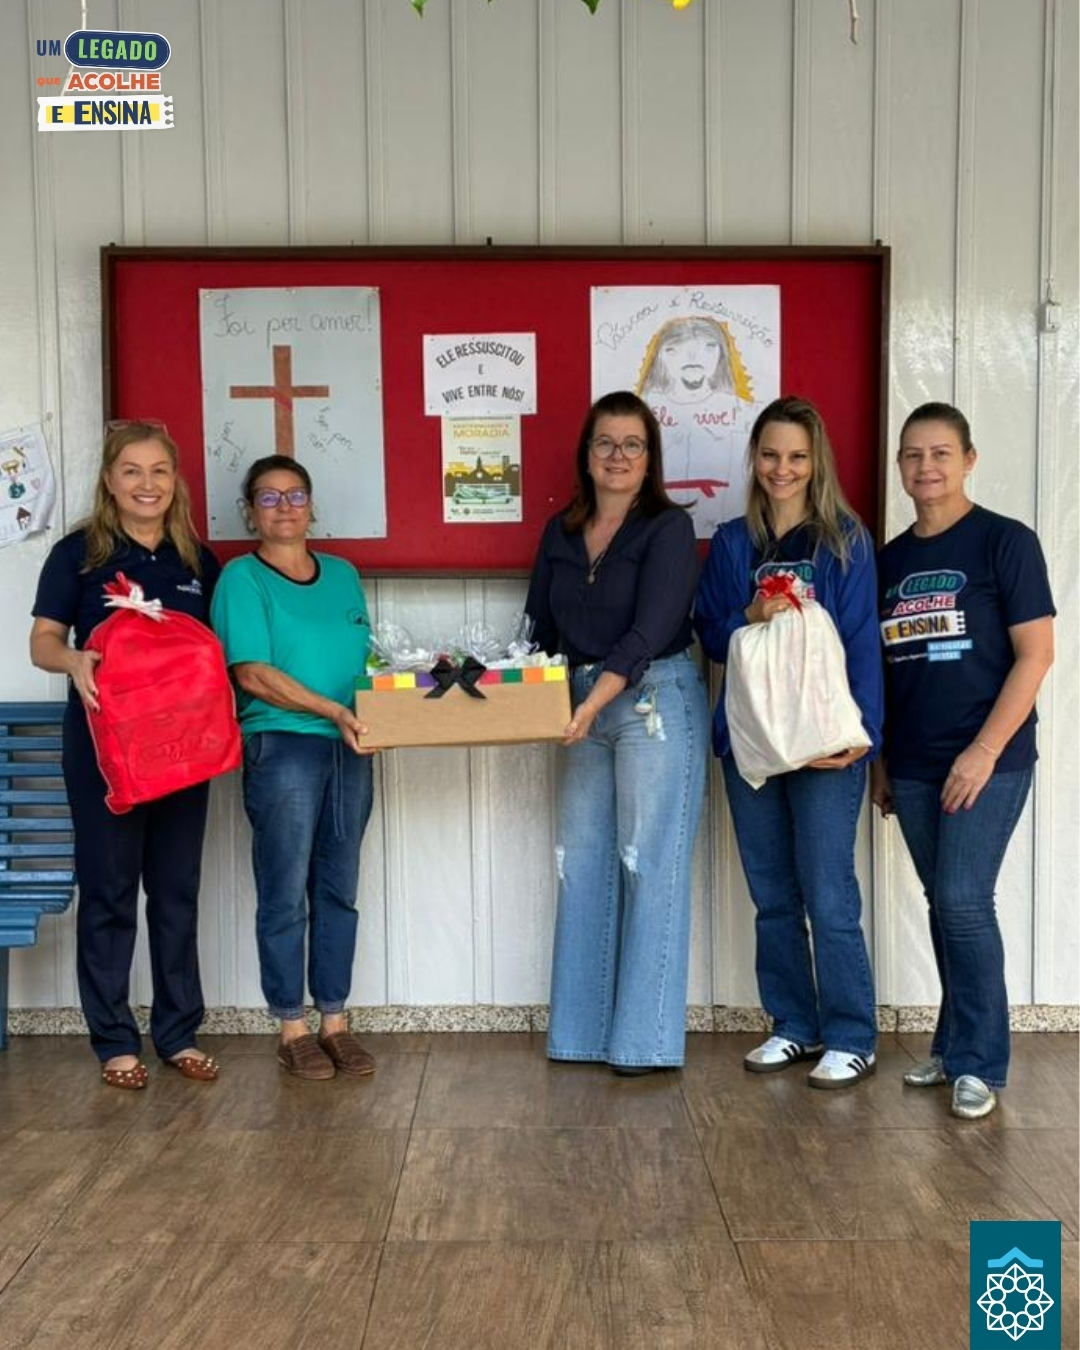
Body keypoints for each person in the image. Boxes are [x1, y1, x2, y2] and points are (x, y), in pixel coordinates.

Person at [872, 403, 1055, 1120]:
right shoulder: (889, 561)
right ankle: (952, 1049)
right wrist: (882, 762)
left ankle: (979, 1063)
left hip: (990, 757)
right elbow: (882, 672)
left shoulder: (1005, 542)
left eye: (941, 453)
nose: (927, 467)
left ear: (969, 460)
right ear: (899, 466)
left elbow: (1036, 655)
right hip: (914, 762)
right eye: (913, 455)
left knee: (962, 900)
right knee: (943, 903)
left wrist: (983, 751)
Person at [695, 396, 882, 1088]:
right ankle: (794, 1024)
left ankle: (852, 1035)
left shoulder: (845, 541)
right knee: (773, 896)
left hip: (825, 744)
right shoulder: (732, 543)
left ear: (816, 462)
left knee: (829, 894)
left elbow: (861, 641)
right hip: (752, 743)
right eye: (771, 455)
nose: (783, 469)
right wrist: (749, 612)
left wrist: (865, 735)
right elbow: (710, 635)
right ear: (755, 458)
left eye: (797, 457)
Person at [30, 422, 221, 1088]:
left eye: (159, 470)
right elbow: (43, 641)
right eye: (132, 471)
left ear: (176, 481)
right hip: (103, 748)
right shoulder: (78, 554)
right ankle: (115, 1042)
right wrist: (74, 660)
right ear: (110, 480)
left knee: (176, 891)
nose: (147, 484)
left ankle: (178, 1034)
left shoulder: (197, 560)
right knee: (109, 890)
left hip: (182, 748)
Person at [525, 390, 709, 1075]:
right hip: (580, 705)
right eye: (605, 442)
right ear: (586, 453)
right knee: (583, 865)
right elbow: (538, 630)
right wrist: (524, 699)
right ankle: (578, 1036)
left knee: (649, 865)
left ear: (650, 458)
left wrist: (591, 703)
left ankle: (644, 1044)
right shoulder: (561, 533)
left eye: (633, 444)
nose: (618, 455)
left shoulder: (667, 528)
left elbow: (649, 630)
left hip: (652, 701)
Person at [211, 455, 376, 1082]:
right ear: (250, 512)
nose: (284, 507)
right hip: (282, 746)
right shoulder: (241, 578)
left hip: (350, 747)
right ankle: (292, 1028)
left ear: (312, 506)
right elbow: (252, 673)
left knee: (338, 888)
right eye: (269, 497)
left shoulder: (343, 575)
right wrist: (331, 710)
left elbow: (365, 662)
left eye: (296, 495)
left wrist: (386, 714)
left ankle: (334, 1021)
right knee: (284, 891)